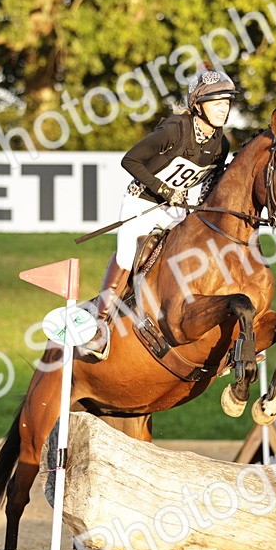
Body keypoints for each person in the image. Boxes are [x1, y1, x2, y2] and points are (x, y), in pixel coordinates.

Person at [79, 68, 237, 360]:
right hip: (142, 203)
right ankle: (99, 326)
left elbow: (209, 183)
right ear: (198, 105)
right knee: (127, 254)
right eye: (216, 103)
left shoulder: (221, 144)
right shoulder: (174, 130)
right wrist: (165, 190)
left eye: (226, 102)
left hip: (176, 209)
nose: (223, 109)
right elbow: (130, 160)